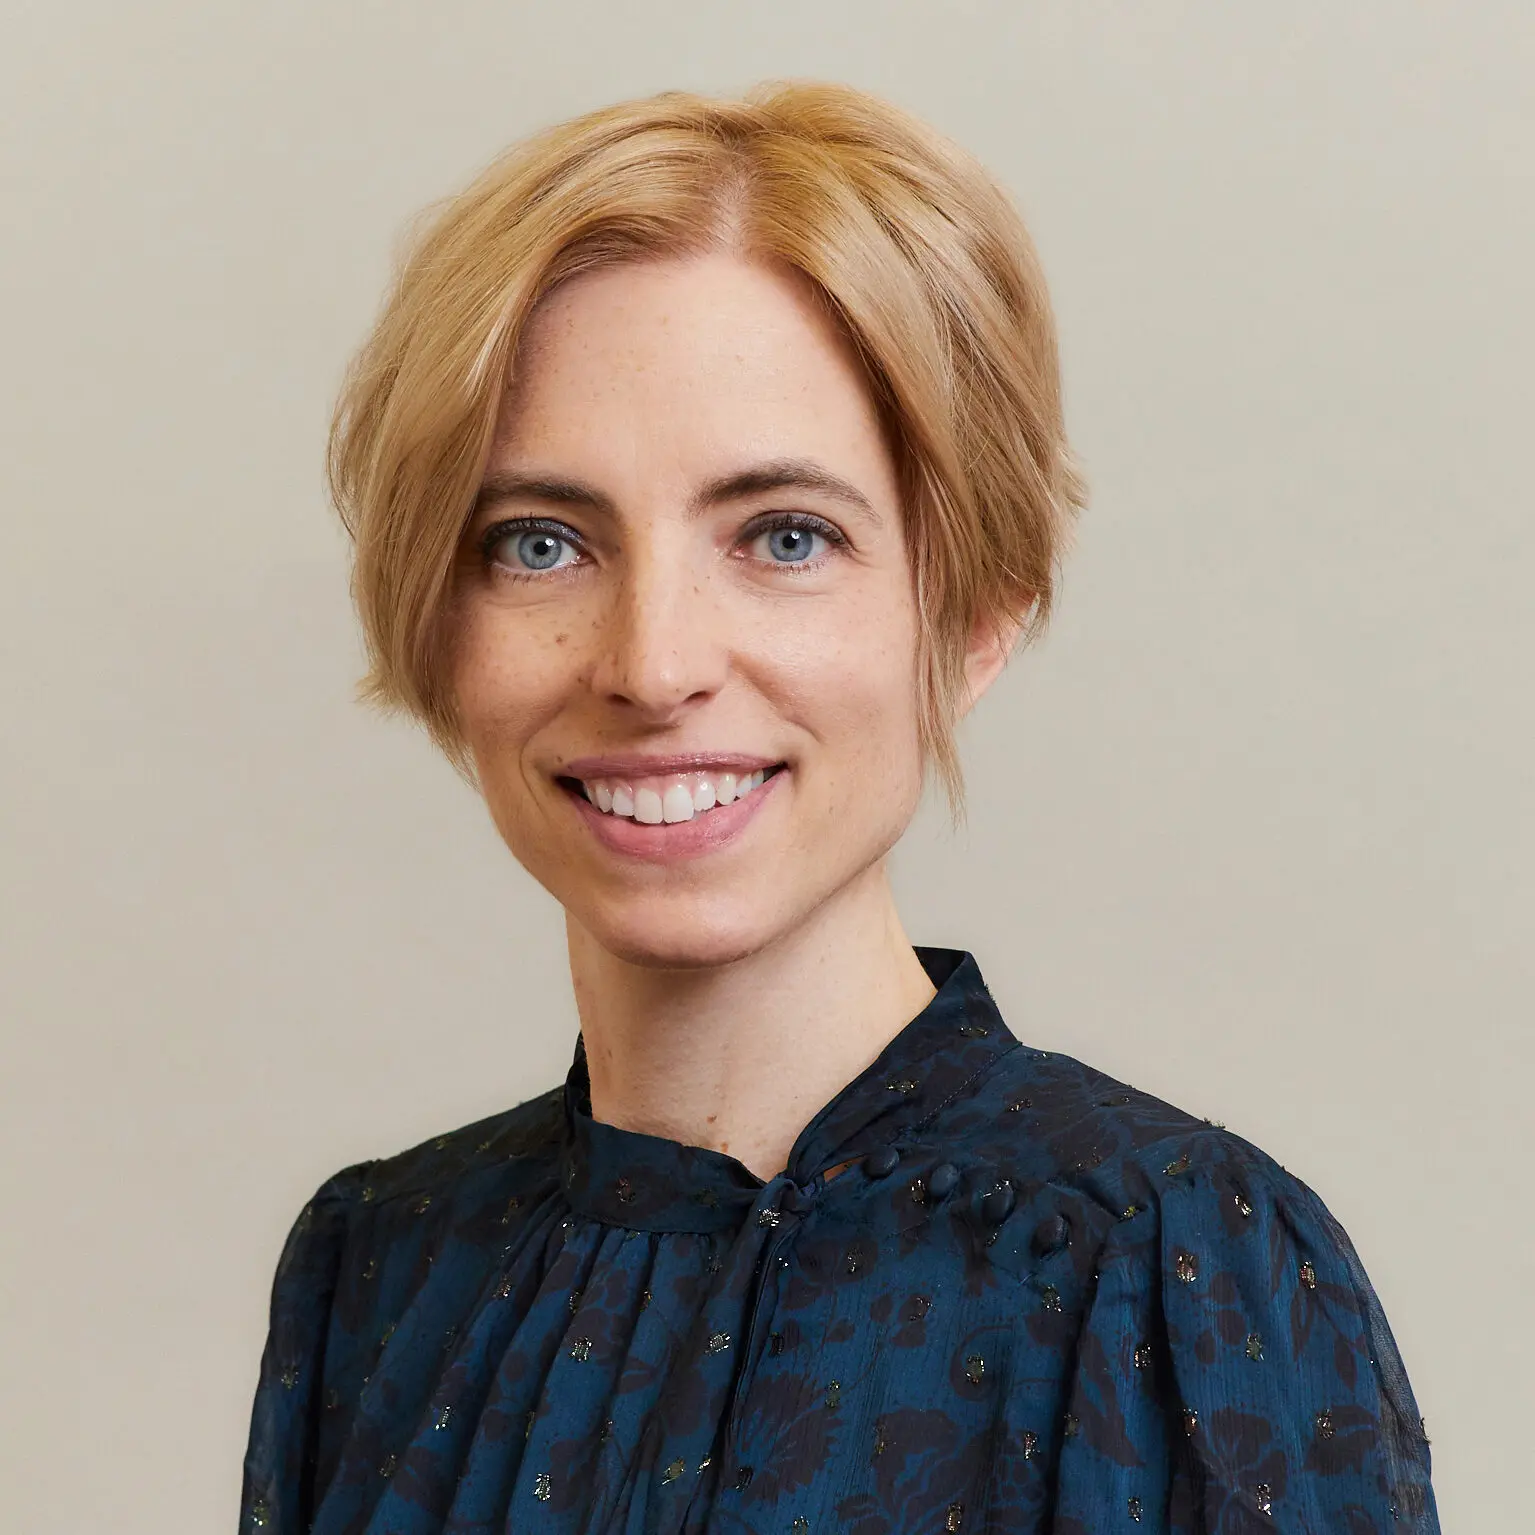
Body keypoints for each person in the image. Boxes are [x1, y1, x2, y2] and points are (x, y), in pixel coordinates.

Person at [239, 82, 1439, 1534]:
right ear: (440, 616)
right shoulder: (378, 1266)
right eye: (541, 541)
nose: (651, 663)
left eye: (784, 536)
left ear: (975, 615)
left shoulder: (1160, 1264)